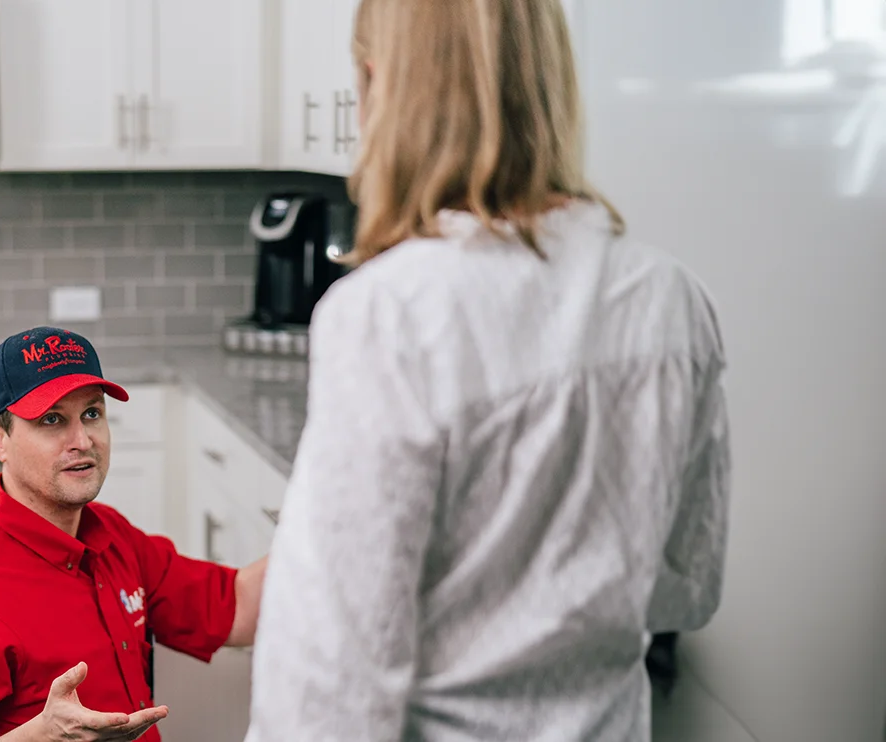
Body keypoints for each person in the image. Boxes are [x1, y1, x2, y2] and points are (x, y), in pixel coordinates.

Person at [244, 1, 731, 741]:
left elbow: (328, 685)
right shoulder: (671, 300)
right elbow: (688, 588)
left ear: (378, 87)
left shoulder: (390, 313)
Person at [0, 326, 268, 742]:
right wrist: (42, 736)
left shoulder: (110, 535)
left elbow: (238, 607)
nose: (82, 440)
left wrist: (328, 520)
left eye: (92, 413)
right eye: (52, 420)